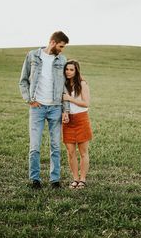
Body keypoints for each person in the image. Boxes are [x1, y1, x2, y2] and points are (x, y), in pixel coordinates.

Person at [19, 31, 70, 189]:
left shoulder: (62, 60)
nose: (62, 50)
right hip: (37, 108)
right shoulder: (33, 56)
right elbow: (23, 81)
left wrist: (65, 110)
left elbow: (65, 87)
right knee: (35, 146)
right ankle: (35, 179)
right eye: (61, 46)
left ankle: (55, 180)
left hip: (55, 107)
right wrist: (29, 100)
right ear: (53, 42)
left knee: (55, 145)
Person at [62, 60, 93, 189]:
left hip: (81, 119)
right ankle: (75, 178)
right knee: (70, 152)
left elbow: (86, 103)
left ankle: (83, 179)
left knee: (83, 152)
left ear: (76, 71)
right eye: (67, 69)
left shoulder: (82, 84)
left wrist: (70, 98)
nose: (68, 72)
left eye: (71, 70)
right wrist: (64, 113)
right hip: (68, 121)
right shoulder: (63, 84)